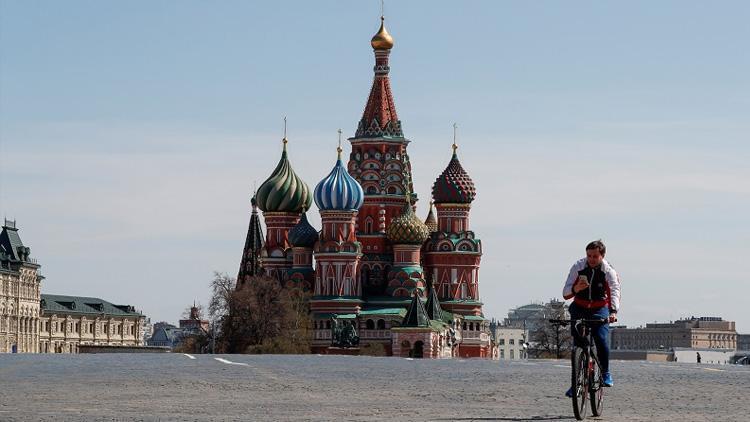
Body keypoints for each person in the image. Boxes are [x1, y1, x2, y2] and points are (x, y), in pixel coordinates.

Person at [562, 240, 621, 397]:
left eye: (595, 256)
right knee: (578, 345)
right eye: (589, 255)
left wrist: (613, 312)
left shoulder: (608, 271)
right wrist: (576, 289)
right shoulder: (578, 267)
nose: (591, 259)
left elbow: (615, 290)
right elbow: (566, 292)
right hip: (579, 308)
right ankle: (576, 384)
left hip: (599, 308)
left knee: (601, 339)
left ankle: (606, 372)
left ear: (602, 255)